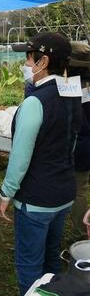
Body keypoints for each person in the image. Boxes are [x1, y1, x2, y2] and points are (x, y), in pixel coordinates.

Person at [0, 32, 81, 295]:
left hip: (36, 198)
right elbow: (72, 144)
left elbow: (20, 157)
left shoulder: (35, 102)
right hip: (64, 193)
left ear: (42, 61)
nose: (25, 64)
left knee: (29, 264)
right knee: (51, 256)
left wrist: (6, 192)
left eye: (28, 57)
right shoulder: (74, 96)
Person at [68, 41, 90, 241]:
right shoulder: (85, 87)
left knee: (79, 190)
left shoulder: (73, 89)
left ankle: (81, 234)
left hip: (80, 147)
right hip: (85, 146)